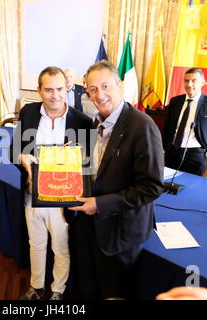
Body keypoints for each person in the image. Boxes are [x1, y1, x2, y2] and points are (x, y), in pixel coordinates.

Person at [69, 60, 165, 299]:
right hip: (87, 227)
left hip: (119, 234)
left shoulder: (142, 126)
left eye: (105, 86)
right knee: (88, 288)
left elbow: (151, 187)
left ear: (119, 86)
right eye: (92, 89)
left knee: (113, 293)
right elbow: (92, 170)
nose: (99, 94)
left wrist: (100, 204)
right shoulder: (93, 124)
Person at [11, 66, 92, 300]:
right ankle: (36, 287)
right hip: (32, 194)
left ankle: (58, 290)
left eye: (59, 89)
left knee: (61, 248)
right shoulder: (28, 112)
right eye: (48, 90)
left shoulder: (83, 121)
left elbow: (89, 167)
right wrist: (21, 157)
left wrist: (75, 157)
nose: (54, 95)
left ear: (68, 88)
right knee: (35, 244)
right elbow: (14, 150)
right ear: (39, 91)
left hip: (63, 199)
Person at [162, 68, 207, 176]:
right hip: (172, 152)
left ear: (202, 83)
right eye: (186, 81)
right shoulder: (175, 101)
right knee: (167, 186)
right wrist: (163, 149)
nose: (189, 84)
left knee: (190, 188)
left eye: (193, 81)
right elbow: (167, 127)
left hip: (196, 155)